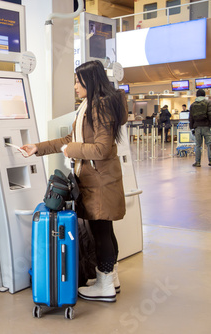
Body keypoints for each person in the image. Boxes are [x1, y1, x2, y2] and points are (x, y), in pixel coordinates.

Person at [21, 60, 127, 303]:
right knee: (105, 230)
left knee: (101, 231)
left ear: (90, 81)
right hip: (99, 178)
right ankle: (110, 278)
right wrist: (38, 147)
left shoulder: (100, 108)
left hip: (100, 181)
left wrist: (71, 149)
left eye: (78, 82)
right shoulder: (91, 105)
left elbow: (100, 149)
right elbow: (72, 137)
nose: (75, 86)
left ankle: (105, 284)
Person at [189, 89, 211, 167]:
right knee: (209, 144)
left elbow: (191, 118)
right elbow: (210, 115)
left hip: (197, 127)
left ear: (197, 95)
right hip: (206, 126)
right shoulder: (208, 102)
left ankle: (197, 162)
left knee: (198, 145)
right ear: (204, 95)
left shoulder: (193, 104)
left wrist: (191, 128)